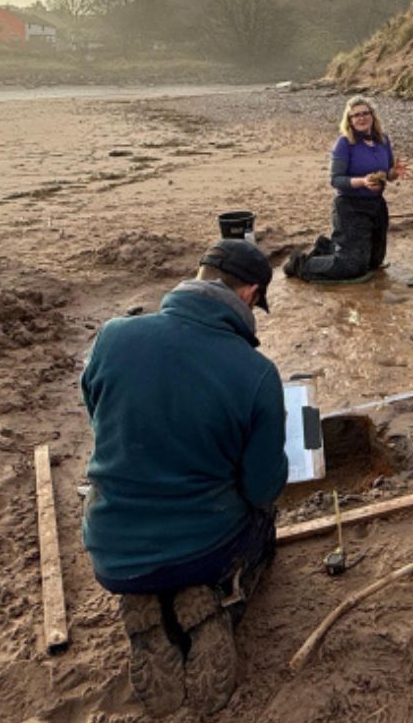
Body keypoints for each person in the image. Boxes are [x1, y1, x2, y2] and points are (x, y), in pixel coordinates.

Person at [80, 239, 287, 717]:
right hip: (205, 550)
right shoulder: (256, 373)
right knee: (264, 521)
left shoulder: (113, 337)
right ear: (251, 294)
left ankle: (148, 606)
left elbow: (101, 421)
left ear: (198, 275)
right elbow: (261, 488)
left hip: (114, 552)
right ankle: (220, 602)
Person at [284, 96, 409, 281]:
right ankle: (299, 263)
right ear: (349, 120)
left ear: (372, 115)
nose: (361, 118)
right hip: (350, 206)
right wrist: (362, 182)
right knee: (352, 267)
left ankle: (326, 246)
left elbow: (387, 174)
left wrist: (394, 172)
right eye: (356, 115)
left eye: (365, 113)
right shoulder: (344, 143)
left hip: (377, 206)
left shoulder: (383, 140)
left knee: (374, 262)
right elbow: (335, 180)